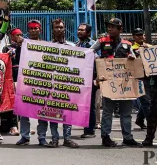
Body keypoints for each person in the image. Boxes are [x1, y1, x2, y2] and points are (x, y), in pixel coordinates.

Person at [91, 18, 141, 147]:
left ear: (120, 30)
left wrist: (131, 57)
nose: (110, 29)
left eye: (113, 27)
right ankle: (105, 137)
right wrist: (97, 61)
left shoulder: (127, 44)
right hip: (108, 83)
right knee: (108, 111)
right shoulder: (101, 41)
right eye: (109, 27)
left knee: (126, 112)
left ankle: (128, 137)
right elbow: (89, 52)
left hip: (125, 84)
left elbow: (135, 59)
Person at [37, 19, 78, 148]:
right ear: (53, 30)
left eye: (61, 27)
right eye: (56, 27)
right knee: (53, 113)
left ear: (64, 29)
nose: (59, 29)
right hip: (52, 85)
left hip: (68, 85)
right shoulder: (47, 47)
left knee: (68, 114)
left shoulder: (72, 46)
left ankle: (67, 138)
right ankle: (55, 139)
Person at [15, 19, 43, 143]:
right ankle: (25, 136)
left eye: (35, 28)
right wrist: (20, 46)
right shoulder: (22, 45)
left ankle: (42, 137)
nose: (33, 31)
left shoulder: (45, 45)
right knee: (23, 109)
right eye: (31, 28)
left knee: (42, 111)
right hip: (26, 81)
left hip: (41, 82)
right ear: (28, 30)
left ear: (40, 30)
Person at [76, 23, 98, 139]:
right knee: (84, 104)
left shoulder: (93, 45)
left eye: (82, 30)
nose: (79, 32)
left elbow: (98, 61)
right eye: (78, 30)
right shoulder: (77, 44)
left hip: (90, 78)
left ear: (88, 32)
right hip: (80, 78)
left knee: (90, 105)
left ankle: (90, 130)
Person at [3, 28, 23, 137]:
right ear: (12, 37)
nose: (20, 37)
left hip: (23, 77)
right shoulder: (7, 47)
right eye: (17, 35)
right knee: (13, 102)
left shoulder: (24, 46)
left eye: (21, 35)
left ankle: (24, 127)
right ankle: (13, 126)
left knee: (24, 102)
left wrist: (21, 46)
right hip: (11, 78)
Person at [131, 28, 151, 130]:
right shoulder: (131, 48)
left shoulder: (149, 46)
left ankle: (139, 119)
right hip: (139, 77)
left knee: (148, 100)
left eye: (141, 35)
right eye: (137, 35)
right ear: (134, 37)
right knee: (145, 100)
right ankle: (151, 123)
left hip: (150, 76)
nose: (140, 37)